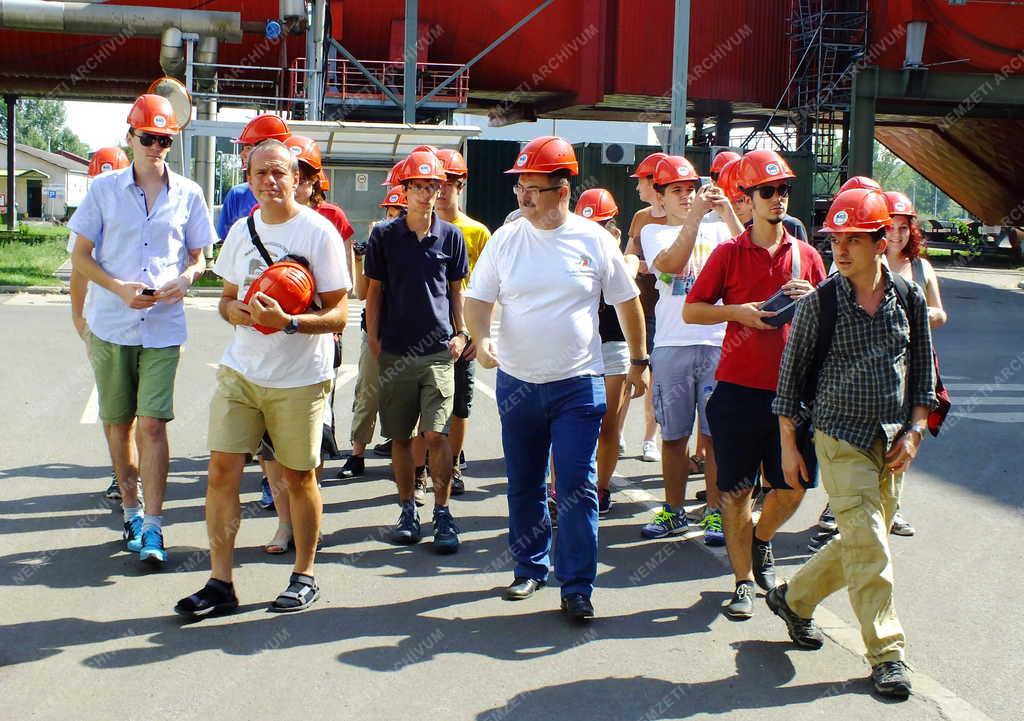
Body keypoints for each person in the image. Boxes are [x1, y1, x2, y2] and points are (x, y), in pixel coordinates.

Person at [464, 136, 648, 622]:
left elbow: (626, 301)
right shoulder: (506, 240)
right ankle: (529, 567)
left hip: (578, 383)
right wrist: (480, 339)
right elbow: (477, 300)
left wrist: (638, 360)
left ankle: (578, 585)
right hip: (518, 384)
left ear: (562, 191)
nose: (523, 197)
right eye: (520, 188)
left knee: (576, 484)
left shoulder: (593, 240)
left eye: (533, 189)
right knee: (524, 483)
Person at [768, 187, 936, 700]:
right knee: (872, 546)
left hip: (891, 443)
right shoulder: (820, 304)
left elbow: (924, 375)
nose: (839, 250)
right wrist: (790, 447)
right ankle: (887, 654)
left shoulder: (907, 297)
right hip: (838, 438)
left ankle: (794, 600)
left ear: (882, 241)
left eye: (853, 240)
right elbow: (789, 383)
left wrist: (915, 431)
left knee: (863, 542)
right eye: (834, 240)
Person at [175, 140, 350, 616]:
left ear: (297, 179)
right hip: (243, 371)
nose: (270, 181)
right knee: (220, 472)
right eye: (260, 174)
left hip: (300, 377)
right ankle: (220, 583)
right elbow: (226, 300)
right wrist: (238, 311)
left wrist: (289, 322)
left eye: (279, 173)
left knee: (298, 476)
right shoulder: (239, 230)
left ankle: (304, 574)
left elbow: (339, 314)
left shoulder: (319, 233)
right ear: (248, 180)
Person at [69, 94, 216, 563]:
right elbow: (80, 256)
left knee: (152, 425)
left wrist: (187, 279)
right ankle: (130, 509)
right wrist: (117, 288)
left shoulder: (190, 193)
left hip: (163, 326)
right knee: (119, 425)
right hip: (113, 324)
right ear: (129, 137)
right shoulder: (103, 190)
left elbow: (200, 257)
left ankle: (154, 525)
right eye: (148, 138)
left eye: (164, 140)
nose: (156, 147)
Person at [684, 149, 826, 619]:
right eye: (768, 191)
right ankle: (742, 581)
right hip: (739, 390)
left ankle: (761, 538)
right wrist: (737, 313)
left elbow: (831, 321)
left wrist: (814, 305)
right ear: (747, 197)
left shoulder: (807, 256)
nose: (778, 199)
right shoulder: (728, 253)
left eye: (783, 190)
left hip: (793, 395)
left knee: (795, 486)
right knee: (738, 491)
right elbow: (693, 309)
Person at [363, 150, 469, 553]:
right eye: (418, 187)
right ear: (404, 191)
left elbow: (457, 291)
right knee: (401, 439)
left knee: (436, 434)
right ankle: (407, 509)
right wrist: (375, 341)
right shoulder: (384, 236)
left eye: (432, 187)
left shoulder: (451, 236)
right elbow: (374, 292)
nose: (426, 194)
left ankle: (442, 513)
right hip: (394, 351)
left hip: (439, 352)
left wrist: (462, 334)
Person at [639, 156, 742, 546]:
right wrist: (697, 218)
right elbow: (670, 266)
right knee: (673, 435)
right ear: (661, 198)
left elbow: (748, 254)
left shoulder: (721, 229)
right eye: (676, 191)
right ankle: (674, 510)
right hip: (672, 344)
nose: (685, 197)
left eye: (689, 189)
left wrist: (729, 213)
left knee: (715, 435)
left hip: (717, 343)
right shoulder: (653, 232)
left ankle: (715, 512)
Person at [69, 146, 138, 503]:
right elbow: (79, 271)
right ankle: (120, 473)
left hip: (141, 322)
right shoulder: (92, 209)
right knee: (114, 411)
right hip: (104, 323)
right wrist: (79, 318)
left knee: (138, 414)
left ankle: (129, 476)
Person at [574, 188, 638, 516]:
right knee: (571, 424)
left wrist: (609, 248)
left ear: (614, 227)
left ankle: (600, 488)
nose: (594, 233)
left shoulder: (625, 258)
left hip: (613, 345)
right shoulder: (572, 254)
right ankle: (562, 490)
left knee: (608, 424)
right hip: (577, 346)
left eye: (602, 225)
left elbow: (626, 278)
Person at [337, 186, 408, 481]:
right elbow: (362, 293)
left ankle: (406, 462)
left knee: (407, 399)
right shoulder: (378, 246)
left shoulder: (419, 246)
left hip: (411, 336)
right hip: (375, 332)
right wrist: (359, 259)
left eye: (398, 214)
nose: (390, 219)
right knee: (367, 394)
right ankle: (357, 455)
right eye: (388, 214)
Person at [434, 147, 492, 492]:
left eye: (449, 182)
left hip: (462, 332)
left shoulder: (477, 233)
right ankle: (423, 469)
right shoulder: (416, 226)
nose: (442, 190)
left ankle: (453, 465)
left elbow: (489, 290)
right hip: (424, 332)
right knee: (420, 409)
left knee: (459, 406)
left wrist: (474, 333)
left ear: (461, 184)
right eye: (435, 183)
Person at [624, 151, 669, 462]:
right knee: (631, 370)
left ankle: (649, 439)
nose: (637, 187)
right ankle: (616, 432)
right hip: (640, 306)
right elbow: (627, 256)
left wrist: (655, 266)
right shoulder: (640, 218)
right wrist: (636, 264)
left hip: (667, 311)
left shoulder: (683, 218)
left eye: (641, 180)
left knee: (655, 377)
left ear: (655, 182)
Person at [216, 114, 290, 242]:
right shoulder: (237, 195)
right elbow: (226, 244)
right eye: (243, 148)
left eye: (248, 148)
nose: (242, 154)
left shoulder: (296, 197)